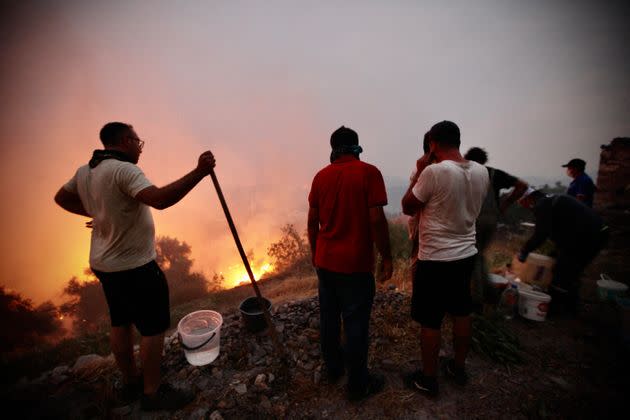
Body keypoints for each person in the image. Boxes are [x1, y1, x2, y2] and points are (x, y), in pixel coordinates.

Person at [54, 122, 216, 411]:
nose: (140, 149)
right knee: (153, 328)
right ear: (126, 141)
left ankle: (130, 383)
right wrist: (199, 173)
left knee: (121, 321)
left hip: (105, 265)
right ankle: (152, 392)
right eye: (138, 143)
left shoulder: (86, 171)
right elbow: (161, 200)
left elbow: (62, 198)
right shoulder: (124, 170)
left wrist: (100, 213)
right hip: (135, 266)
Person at [401, 121, 489, 398]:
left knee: (431, 320)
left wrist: (420, 170)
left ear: (434, 144)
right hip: (466, 254)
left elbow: (407, 205)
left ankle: (429, 379)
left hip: (436, 257)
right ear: (458, 141)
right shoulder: (481, 171)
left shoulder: (434, 172)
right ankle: (458, 368)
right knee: (462, 311)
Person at [307, 126, 393, 401]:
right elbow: (377, 219)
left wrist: (314, 252)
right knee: (355, 323)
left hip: (326, 263)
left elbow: (311, 222)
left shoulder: (320, 177)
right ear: (357, 147)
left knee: (329, 318)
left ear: (333, 149)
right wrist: (387, 256)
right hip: (355, 265)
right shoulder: (369, 173)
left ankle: (333, 369)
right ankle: (358, 385)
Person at [517, 188, 608, 317]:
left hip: (590, 236)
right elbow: (564, 229)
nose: (522, 206)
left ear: (528, 198)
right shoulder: (551, 200)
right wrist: (554, 252)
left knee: (562, 270)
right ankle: (570, 308)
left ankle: (554, 309)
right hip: (596, 233)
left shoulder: (542, 205)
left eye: (521, 202)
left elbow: (541, 234)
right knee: (571, 269)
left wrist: (524, 251)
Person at [463, 147, 528, 308]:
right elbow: (522, 186)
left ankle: (477, 300)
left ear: (468, 159)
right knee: (479, 256)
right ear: (484, 160)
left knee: (473, 258)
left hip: (474, 221)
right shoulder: (493, 173)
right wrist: (504, 205)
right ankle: (490, 294)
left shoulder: (466, 174)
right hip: (491, 221)